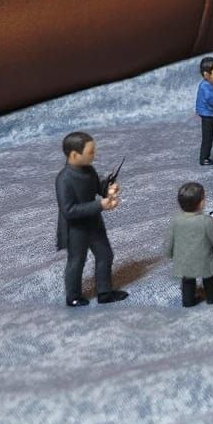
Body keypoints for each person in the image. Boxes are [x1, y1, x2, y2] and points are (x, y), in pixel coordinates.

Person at [55, 131, 129, 307]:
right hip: (75, 229)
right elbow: (68, 210)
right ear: (74, 155)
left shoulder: (89, 170)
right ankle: (72, 296)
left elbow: (97, 188)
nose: (94, 156)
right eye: (90, 152)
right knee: (76, 262)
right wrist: (100, 205)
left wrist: (108, 189)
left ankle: (104, 292)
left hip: (94, 223)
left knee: (105, 255)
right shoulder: (64, 179)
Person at [163, 181, 213, 306]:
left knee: (188, 280)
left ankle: (188, 301)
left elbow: (170, 240)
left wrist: (169, 252)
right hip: (205, 259)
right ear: (202, 203)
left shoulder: (176, 220)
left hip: (184, 259)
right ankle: (212, 297)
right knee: (210, 278)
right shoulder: (207, 221)